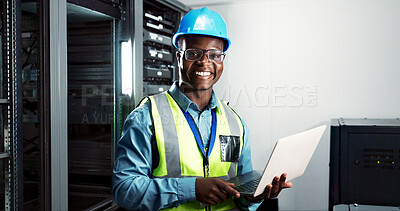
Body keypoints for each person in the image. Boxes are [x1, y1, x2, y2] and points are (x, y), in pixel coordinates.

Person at [112, 7, 292, 211]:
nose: (204, 62)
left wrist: (256, 196)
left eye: (215, 55)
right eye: (193, 53)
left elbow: (240, 196)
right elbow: (124, 190)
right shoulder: (147, 116)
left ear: (222, 60)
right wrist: (191, 188)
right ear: (178, 56)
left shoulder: (236, 123)